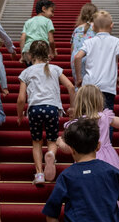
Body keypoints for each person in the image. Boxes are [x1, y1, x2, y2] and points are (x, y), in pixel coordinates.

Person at [59, 84, 119, 213]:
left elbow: (67, 148)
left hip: (86, 158)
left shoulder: (77, 123)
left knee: (89, 189)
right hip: (108, 159)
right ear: (99, 101)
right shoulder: (104, 117)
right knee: (109, 188)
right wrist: (110, 119)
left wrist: (59, 142)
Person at [16, 40, 76, 185]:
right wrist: (72, 107)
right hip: (52, 108)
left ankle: (39, 174)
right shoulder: (55, 69)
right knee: (52, 139)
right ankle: (51, 155)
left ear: (30, 55)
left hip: (35, 109)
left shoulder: (27, 72)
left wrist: (19, 115)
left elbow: (21, 98)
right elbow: (71, 86)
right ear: (48, 54)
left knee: (36, 142)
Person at [73, 11, 119, 111]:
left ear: (93, 27)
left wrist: (79, 78)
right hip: (108, 86)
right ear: (112, 25)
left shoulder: (89, 42)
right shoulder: (116, 41)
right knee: (106, 117)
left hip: (90, 85)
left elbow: (77, 57)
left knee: (88, 115)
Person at [19, 0, 57, 65]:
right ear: (44, 9)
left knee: (31, 70)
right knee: (41, 71)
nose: (53, 15)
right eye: (52, 11)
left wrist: (22, 55)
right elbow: (51, 40)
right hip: (42, 48)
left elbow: (22, 38)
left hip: (28, 49)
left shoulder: (28, 21)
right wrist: (53, 52)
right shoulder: (48, 21)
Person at [70, 2, 98, 82]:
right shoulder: (97, 28)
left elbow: (72, 47)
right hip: (92, 58)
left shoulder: (77, 29)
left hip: (77, 59)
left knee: (80, 86)